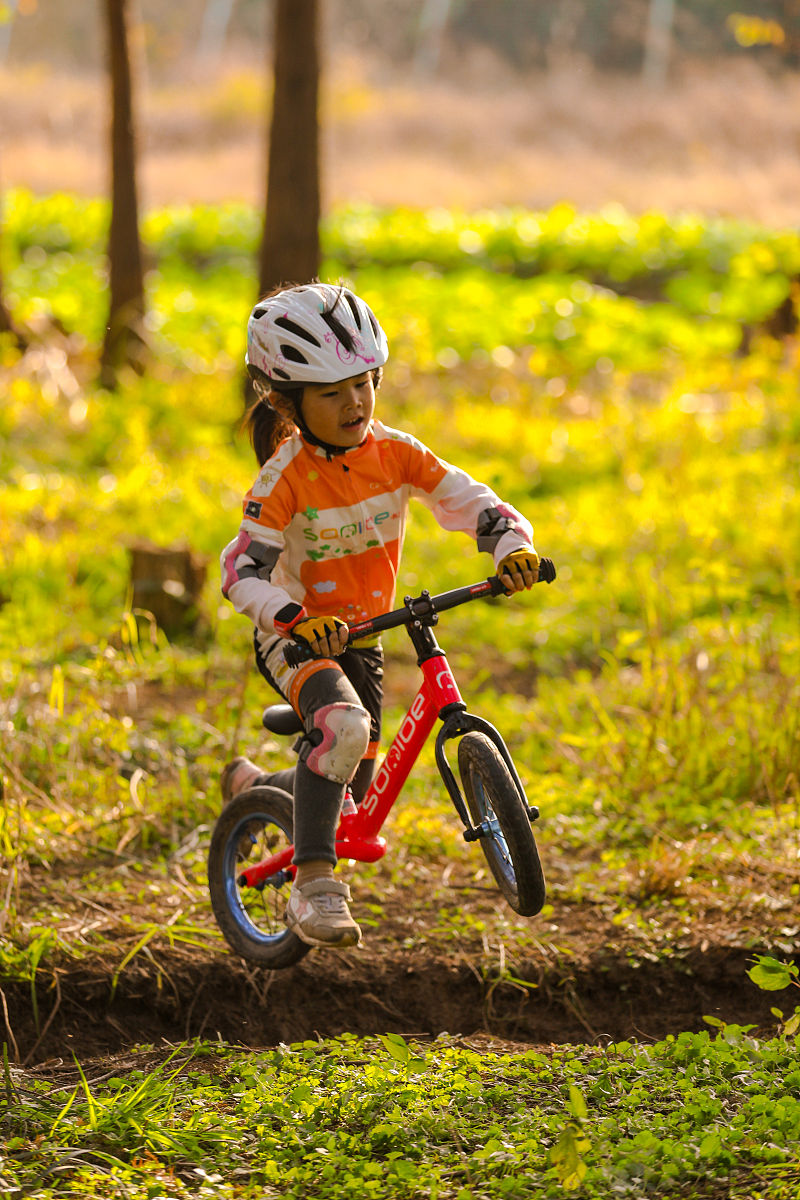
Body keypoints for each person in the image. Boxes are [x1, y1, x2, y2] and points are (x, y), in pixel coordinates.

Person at [220, 282, 539, 950]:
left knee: (351, 782)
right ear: (286, 402)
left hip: (364, 634)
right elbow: (241, 572)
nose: (356, 404)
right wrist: (292, 616)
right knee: (342, 729)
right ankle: (314, 887)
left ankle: (256, 788)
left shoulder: (395, 453)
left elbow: (469, 500)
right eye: (332, 393)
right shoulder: (283, 479)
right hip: (296, 638)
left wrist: (511, 546)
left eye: (365, 383)